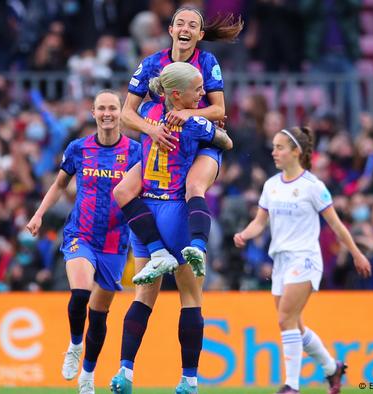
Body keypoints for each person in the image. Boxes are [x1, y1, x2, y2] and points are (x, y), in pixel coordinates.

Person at [110, 62, 233, 394]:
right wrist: (212, 124)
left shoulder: (149, 110)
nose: (202, 94)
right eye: (197, 90)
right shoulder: (192, 122)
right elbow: (226, 142)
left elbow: (130, 113)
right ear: (178, 94)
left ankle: (124, 372)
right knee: (191, 298)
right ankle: (189, 380)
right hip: (175, 211)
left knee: (142, 298)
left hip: (144, 212)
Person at [233, 126, 372, 394]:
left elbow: (337, 226)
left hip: (306, 258)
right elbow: (260, 222)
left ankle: (291, 386)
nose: (274, 152)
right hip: (281, 261)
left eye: (280, 147)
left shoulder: (313, 187)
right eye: (273, 146)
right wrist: (244, 234)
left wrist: (356, 253)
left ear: (296, 151)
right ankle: (332, 368)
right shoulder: (271, 185)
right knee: (295, 324)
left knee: (285, 318)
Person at [114, 6, 243, 281]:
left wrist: (188, 114)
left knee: (194, 186)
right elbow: (126, 114)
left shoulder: (207, 63)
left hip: (200, 142)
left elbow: (219, 110)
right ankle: (158, 253)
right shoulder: (150, 64)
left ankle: (197, 247)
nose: (185, 29)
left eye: (192, 25)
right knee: (123, 190)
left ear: (200, 34)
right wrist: (152, 131)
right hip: (162, 144)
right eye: (180, 23)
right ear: (171, 30)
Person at [25, 90, 141, 394]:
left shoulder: (135, 151)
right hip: (81, 234)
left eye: (112, 108)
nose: (107, 113)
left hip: (116, 241)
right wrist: (38, 214)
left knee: (99, 315)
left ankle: (87, 375)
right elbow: (59, 185)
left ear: (120, 112)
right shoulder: (79, 149)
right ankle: (75, 345)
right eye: (101, 108)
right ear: (93, 113)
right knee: (80, 293)